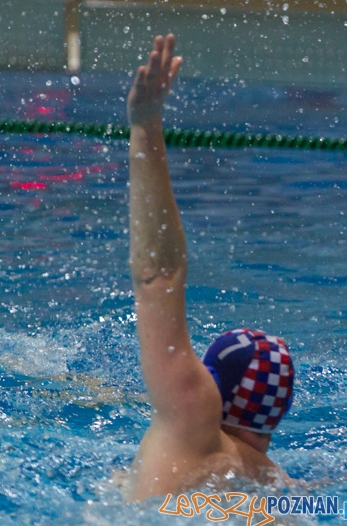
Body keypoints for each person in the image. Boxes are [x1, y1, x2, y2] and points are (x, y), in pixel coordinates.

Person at [124, 34, 295, 501]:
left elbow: (158, 274)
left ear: (213, 384)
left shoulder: (192, 415)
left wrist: (145, 126)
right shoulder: (276, 483)